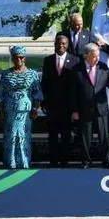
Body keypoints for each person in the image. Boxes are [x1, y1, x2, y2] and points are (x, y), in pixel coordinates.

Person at [72, 43, 109, 169]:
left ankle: (107, 160)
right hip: (84, 108)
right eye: (94, 56)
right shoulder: (77, 69)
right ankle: (86, 161)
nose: (97, 59)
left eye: (98, 56)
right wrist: (75, 110)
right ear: (86, 56)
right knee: (85, 136)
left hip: (101, 107)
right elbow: (72, 92)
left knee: (104, 135)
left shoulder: (102, 67)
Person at [0, 46, 42, 170]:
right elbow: (1, 94)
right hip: (9, 111)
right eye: (16, 57)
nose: (19, 59)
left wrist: (34, 109)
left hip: (26, 112)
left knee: (24, 137)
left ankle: (24, 162)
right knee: (10, 137)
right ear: (12, 58)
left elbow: (37, 94)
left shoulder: (32, 74)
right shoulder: (6, 74)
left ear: (25, 58)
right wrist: (0, 111)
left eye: (21, 57)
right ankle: (10, 163)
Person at [41, 34, 80, 167]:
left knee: (66, 136)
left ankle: (64, 162)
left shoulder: (75, 60)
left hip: (68, 107)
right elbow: (44, 83)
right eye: (59, 43)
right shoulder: (48, 60)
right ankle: (53, 162)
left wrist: (75, 106)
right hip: (52, 106)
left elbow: (77, 85)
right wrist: (44, 102)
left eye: (64, 43)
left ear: (67, 45)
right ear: (55, 45)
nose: (61, 46)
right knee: (52, 136)